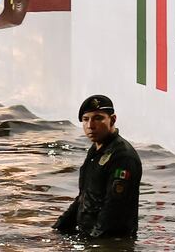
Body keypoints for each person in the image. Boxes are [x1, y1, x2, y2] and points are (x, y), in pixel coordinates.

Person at [53, 95, 143, 238]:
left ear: (112, 119)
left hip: (110, 243)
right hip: (90, 236)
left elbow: (114, 208)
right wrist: (59, 228)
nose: (90, 126)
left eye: (98, 118)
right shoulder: (96, 150)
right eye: (86, 119)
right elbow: (84, 196)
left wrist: (92, 244)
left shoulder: (122, 156)